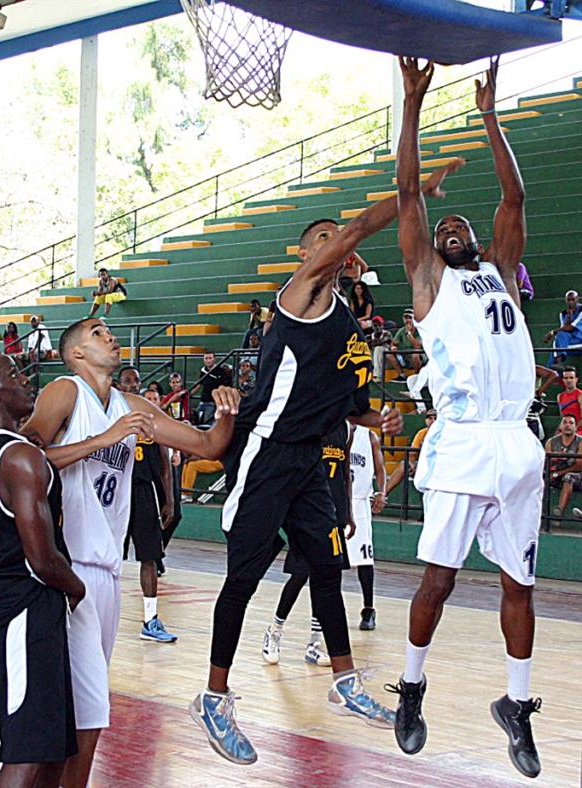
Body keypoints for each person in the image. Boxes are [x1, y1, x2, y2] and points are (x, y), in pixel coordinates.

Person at [190, 156, 457, 764]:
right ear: (307, 254)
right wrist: (416, 189)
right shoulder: (298, 294)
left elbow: (349, 403)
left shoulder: (346, 323)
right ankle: (214, 694)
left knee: (326, 569)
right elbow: (360, 227)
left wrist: (378, 418)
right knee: (245, 576)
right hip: (265, 451)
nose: (333, 245)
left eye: (332, 240)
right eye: (322, 239)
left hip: (313, 457)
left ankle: (344, 681)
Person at [387, 58, 544, 779]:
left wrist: (489, 113)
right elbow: (406, 195)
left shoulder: (503, 270)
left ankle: (515, 704)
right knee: (439, 582)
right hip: (462, 443)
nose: (450, 227)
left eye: (460, 223)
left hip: (519, 442)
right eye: (442, 224)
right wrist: (413, 104)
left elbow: (514, 193)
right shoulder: (427, 280)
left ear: (478, 237)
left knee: (521, 585)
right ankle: (412, 686)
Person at [21, 318, 240, 788]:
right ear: (76, 353)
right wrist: (103, 438)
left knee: (87, 709)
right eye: (98, 333)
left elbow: (207, 445)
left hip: (105, 572)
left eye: (109, 332)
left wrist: (227, 409)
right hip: (62, 568)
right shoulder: (65, 392)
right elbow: (24, 456)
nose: (110, 337)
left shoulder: (132, 406)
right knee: (76, 706)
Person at [0, 350, 84, 788]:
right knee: (27, 748)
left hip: (20, 599)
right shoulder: (20, 458)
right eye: (13, 374)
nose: (26, 379)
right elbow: (41, 557)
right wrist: (75, 585)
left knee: (49, 744)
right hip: (21, 602)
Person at [261, 420, 354, 670]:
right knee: (301, 573)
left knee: (327, 578)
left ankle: (314, 643)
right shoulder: (310, 422)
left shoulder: (345, 427)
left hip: (334, 511)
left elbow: (345, 474)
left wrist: (349, 512)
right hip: (307, 510)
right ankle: (274, 630)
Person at [118, 367, 178, 643]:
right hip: (114, 492)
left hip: (144, 492)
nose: (133, 385)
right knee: (105, 557)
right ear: (118, 384)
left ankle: (150, 619)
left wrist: (170, 498)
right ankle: (90, 612)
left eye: (136, 380)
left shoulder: (150, 418)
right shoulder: (106, 415)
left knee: (149, 556)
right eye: (127, 380)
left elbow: (165, 463)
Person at [347, 424, 387, 631]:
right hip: (337, 500)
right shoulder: (332, 429)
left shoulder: (369, 436)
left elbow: (380, 470)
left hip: (360, 502)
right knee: (331, 560)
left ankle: (368, 608)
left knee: (364, 559)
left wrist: (382, 492)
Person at [384, 409, 436, 498]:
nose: (432, 421)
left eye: (435, 418)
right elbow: (412, 454)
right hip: (423, 466)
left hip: (439, 467)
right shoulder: (422, 433)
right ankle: (383, 495)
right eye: (429, 418)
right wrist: (412, 464)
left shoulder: (446, 433)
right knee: (404, 464)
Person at [544, 414, 582, 517]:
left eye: (571, 423)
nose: (567, 425)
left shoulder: (580, 442)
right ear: (560, 426)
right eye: (564, 422)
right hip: (555, 474)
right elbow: (546, 464)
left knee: (569, 476)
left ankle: (559, 512)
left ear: (575, 427)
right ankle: (539, 514)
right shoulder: (551, 442)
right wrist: (551, 469)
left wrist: (557, 473)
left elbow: (579, 467)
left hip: (576, 477)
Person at [545, 290, 582, 366]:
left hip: (580, 340)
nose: (571, 302)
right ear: (565, 300)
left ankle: (556, 363)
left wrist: (552, 332)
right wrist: (568, 317)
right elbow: (564, 330)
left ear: (577, 299)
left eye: (573, 299)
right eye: (569, 300)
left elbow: (571, 328)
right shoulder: (563, 313)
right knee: (560, 336)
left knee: (556, 344)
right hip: (571, 341)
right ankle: (556, 363)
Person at [196, 352, 234, 425]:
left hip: (213, 403)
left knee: (207, 424)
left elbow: (227, 385)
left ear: (214, 359)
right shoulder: (203, 370)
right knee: (198, 420)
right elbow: (199, 384)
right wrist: (188, 393)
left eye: (210, 358)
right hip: (202, 401)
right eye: (206, 358)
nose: (208, 360)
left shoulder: (221, 370)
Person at [392, 308, 426, 374]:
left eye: (410, 318)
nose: (407, 320)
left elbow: (417, 346)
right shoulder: (402, 330)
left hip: (420, 356)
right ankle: (401, 375)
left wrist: (409, 334)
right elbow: (393, 343)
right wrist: (393, 347)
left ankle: (417, 374)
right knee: (388, 355)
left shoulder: (420, 330)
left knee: (415, 354)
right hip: (406, 356)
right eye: (406, 318)